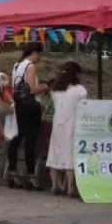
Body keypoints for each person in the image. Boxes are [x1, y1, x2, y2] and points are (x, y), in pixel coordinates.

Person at [6, 43, 50, 190]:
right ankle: (31, 175)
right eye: (39, 55)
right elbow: (31, 89)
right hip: (31, 107)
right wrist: (44, 87)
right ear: (34, 53)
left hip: (19, 105)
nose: (39, 58)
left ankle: (13, 172)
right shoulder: (30, 66)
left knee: (17, 137)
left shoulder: (17, 65)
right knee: (31, 141)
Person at [47, 62, 86, 197]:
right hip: (73, 124)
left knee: (54, 153)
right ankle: (70, 188)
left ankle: (55, 186)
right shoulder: (80, 90)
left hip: (58, 124)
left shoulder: (55, 89)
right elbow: (84, 106)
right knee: (70, 154)